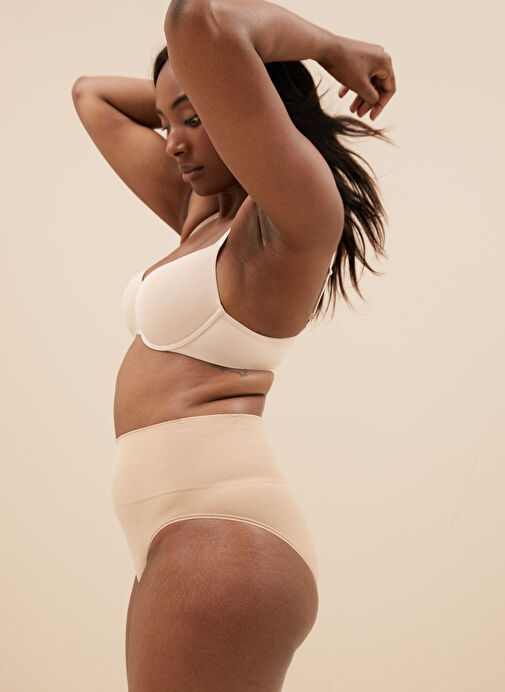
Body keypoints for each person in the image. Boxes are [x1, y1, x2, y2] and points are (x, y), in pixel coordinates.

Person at [72, 0, 395, 688]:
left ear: (250, 103)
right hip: (179, 533)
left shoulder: (292, 215)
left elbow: (199, 18)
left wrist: (329, 48)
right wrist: (187, 100)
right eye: (168, 122)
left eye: (194, 117)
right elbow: (91, 96)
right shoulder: (202, 214)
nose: (172, 142)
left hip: (220, 534)